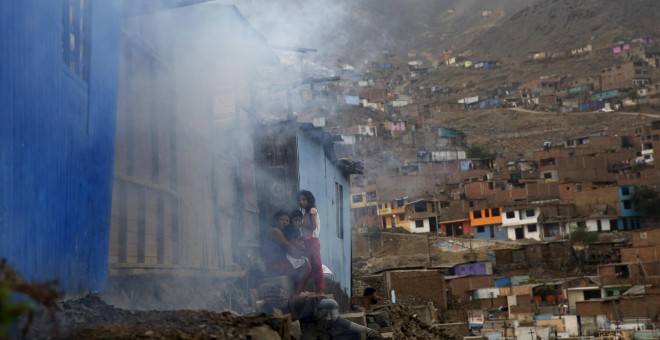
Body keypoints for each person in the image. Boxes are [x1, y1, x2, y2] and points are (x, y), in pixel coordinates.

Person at [262, 210, 311, 297]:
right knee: (306, 267)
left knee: (304, 266)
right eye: (282, 220)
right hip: (275, 263)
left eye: (287, 221)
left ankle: (298, 293)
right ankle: (296, 295)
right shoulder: (275, 231)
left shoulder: (281, 232)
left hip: (280, 262)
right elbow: (287, 246)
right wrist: (303, 253)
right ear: (276, 220)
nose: (285, 222)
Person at [297, 190, 325, 296]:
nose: (302, 202)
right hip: (308, 242)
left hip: (313, 241)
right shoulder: (306, 213)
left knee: (316, 266)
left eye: (304, 199)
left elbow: (313, 226)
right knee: (310, 266)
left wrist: (302, 224)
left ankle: (320, 290)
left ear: (309, 199)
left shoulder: (312, 210)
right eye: (300, 200)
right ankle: (308, 289)